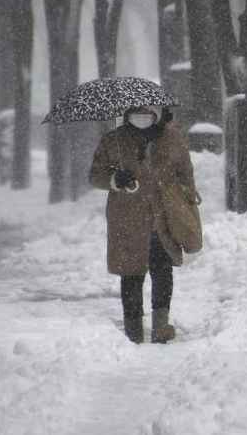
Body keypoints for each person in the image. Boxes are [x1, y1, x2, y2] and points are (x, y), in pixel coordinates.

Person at [89, 104, 197, 344]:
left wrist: (184, 199)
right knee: (130, 274)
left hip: (162, 215)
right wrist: (115, 179)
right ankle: (133, 330)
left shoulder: (172, 139)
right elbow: (95, 175)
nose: (142, 117)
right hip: (126, 217)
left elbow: (186, 174)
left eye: (148, 113)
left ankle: (161, 326)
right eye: (136, 113)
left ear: (158, 113)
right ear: (126, 114)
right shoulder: (113, 140)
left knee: (162, 270)